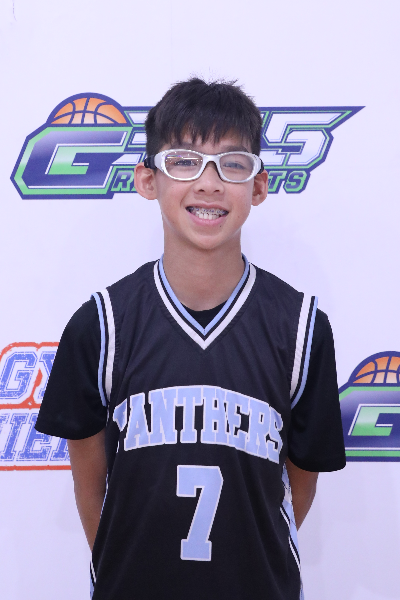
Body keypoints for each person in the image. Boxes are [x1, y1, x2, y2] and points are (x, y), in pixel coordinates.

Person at [35, 78, 346, 600]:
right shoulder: (101, 324)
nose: (209, 183)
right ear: (147, 180)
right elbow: (90, 482)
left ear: (259, 186)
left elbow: (301, 481)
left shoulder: (301, 327)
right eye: (184, 162)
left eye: (232, 164)